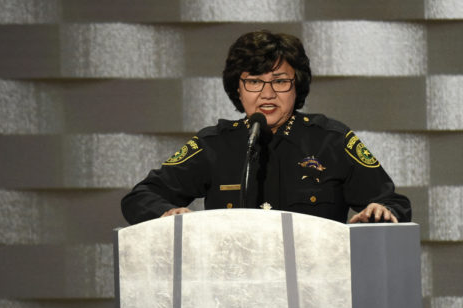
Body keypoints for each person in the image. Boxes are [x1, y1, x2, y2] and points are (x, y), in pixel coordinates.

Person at [121, 30, 411, 225]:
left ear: (297, 86)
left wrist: (382, 212)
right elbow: (140, 198)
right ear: (238, 88)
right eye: (254, 81)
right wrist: (167, 214)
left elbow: (391, 202)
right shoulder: (214, 145)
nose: (267, 94)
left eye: (280, 81)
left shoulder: (332, 141)